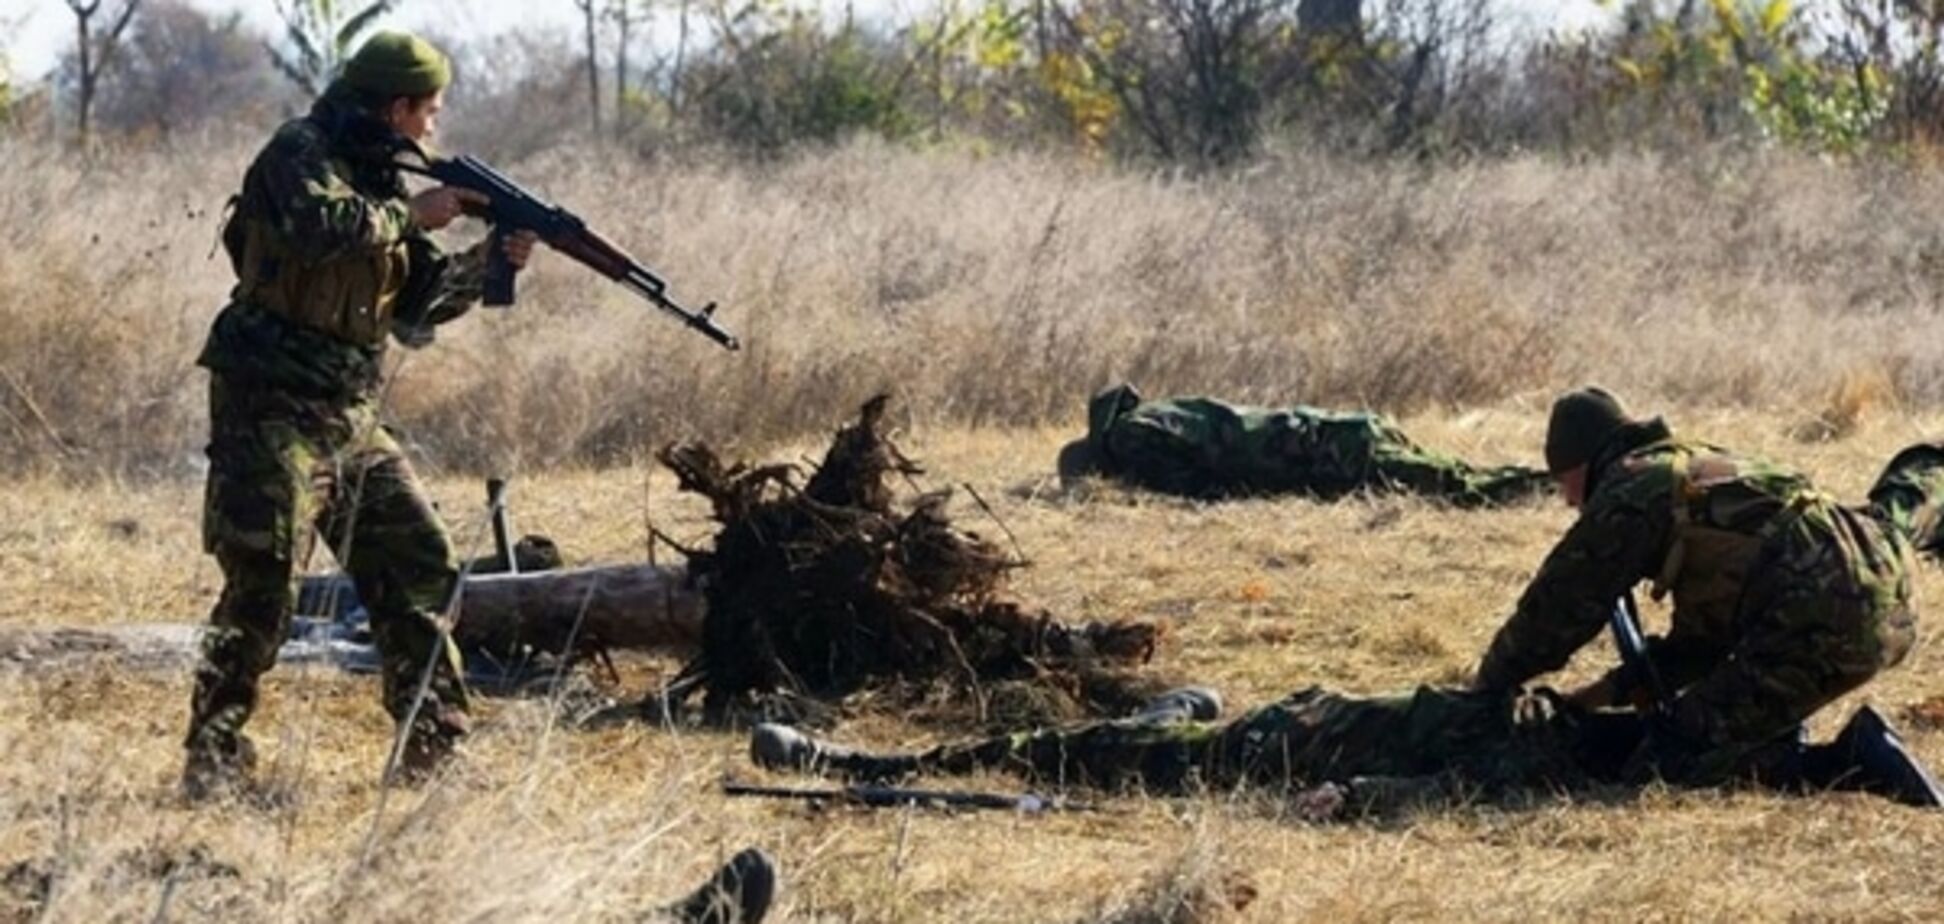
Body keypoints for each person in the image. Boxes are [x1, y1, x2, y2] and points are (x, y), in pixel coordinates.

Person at [183, 31, 540, 798]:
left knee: (420, 563)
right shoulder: (298, 152)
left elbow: (414, 310)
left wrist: (489, 265)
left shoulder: (384, 176)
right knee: (264, 583)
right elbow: (320, 230)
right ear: (397, 105)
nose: (434, 128)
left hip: (348, 414)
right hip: (266, 400)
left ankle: (435, 750)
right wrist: (415, 215)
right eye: (429, 111)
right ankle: (213, 759)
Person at [1472, 387, 1917, 785]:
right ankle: (1779, 730)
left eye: (1563, 482)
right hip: (1882, 589)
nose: (1568, 500)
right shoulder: (1693, 470)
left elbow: (1557, 608)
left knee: (1671, 760)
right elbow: (1702, 645)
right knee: (1718, 713)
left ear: (1585, 462)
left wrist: (1487, 689)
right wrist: (1598, 695)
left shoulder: (1632, 490)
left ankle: (1853, 762)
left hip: (1821, 607)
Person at [1057, 383, 1549, 506]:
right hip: (1329, 434)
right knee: (1452, 474)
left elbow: (1196, 489)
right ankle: (1548, 480)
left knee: (1454, 489)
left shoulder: (1130, 438)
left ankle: (1549, 483)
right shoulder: (1153, 414)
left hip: (1325, 452)